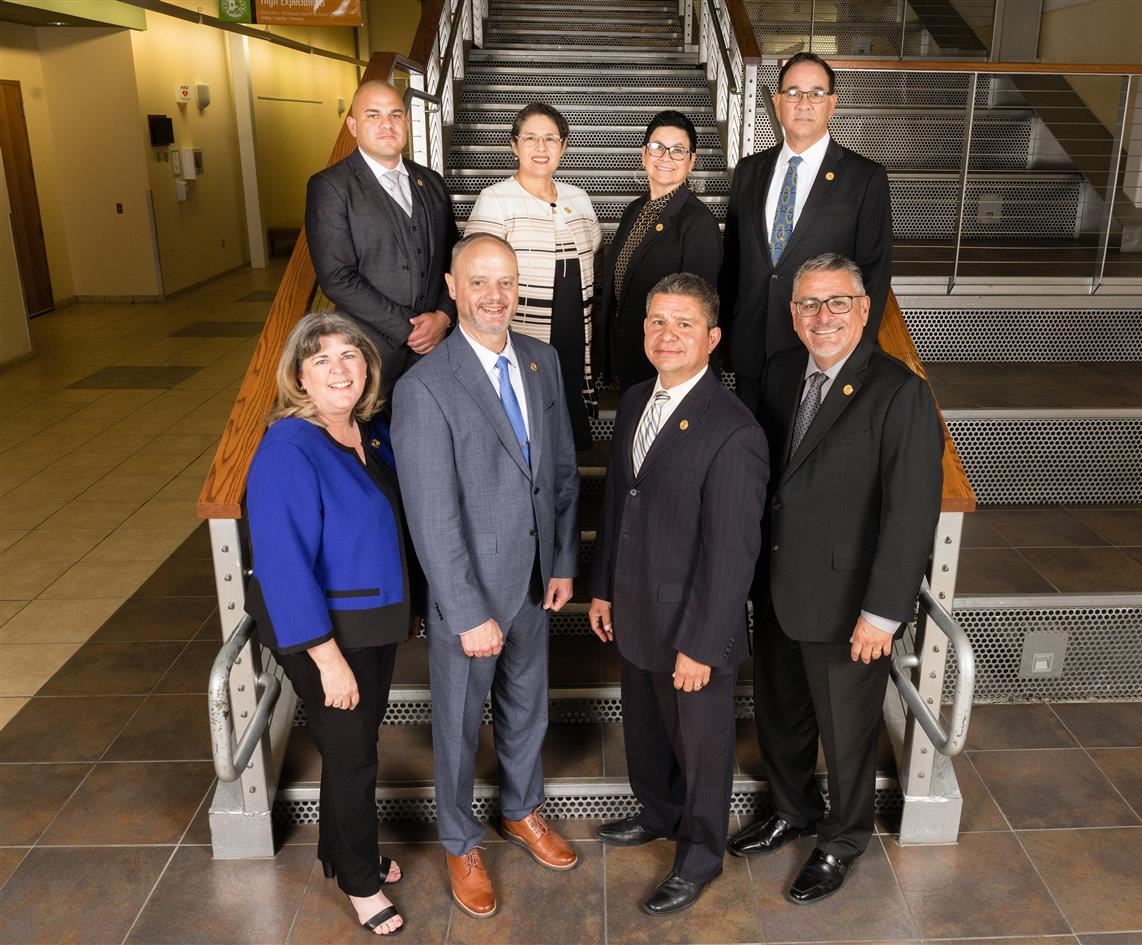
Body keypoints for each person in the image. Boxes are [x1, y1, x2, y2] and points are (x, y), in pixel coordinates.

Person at [728, 253, 943, 904]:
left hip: (851, 604)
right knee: (782, 714)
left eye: (837, 302)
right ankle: (792, 809)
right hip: (776, 586)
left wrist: (884, 612)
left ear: (863, 307)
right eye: (809, 305)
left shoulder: (899, 391)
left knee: (847, 735)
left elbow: (911, 513)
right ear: (792, 315)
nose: (822, 317)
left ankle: (843, 836)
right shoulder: (778, 371)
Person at [389, 233, 581, 920]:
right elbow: (432, 517)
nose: (494, 295)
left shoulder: (542, 360)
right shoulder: (424, 388)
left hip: (533, 582)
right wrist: (466, 610)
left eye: (505, 281)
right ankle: (460, 839)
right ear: (452, 285)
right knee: (459, 722)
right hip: (469, 596)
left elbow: (559, 470)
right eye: (479, 282)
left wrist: (562, 562)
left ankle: (522, 810)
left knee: (528, 705)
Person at [588, 273, 768, 915]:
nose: (668, 334)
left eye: (684, 323)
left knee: (701, 749)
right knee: (645, 731)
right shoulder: (636, 398)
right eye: (657, 321)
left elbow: (731, 556)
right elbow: (618, 504)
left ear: (713, 338)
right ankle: (658, 813)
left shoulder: (734, 431)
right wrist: (604, 588)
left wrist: (702, 643)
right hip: (634, 605)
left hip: (692, 624)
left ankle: (698, 857)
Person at [245, 312, 412, 936]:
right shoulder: (288, 447)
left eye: (350, 354)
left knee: (352, 750)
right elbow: (284, 564)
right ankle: (362, 885)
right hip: (326, 633)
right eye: (321, 360)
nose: (340, 368)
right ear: (298, 377)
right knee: (353, 757)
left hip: (371, 621)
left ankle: (339, 853)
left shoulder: (368, 433)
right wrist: (326, 657)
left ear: (367, 365)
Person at [719, 52, 892, 411]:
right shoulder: (750, 170)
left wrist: (857, 353)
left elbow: (873, 272)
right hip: (751, 346)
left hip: (819, 350)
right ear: (778, 102)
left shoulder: (864, 177)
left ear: (832, 104)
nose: (803, 103)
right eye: (793, 92)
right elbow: (733, 260)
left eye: (816, 93)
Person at [305, 80, 459, 398]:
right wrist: (410, 329)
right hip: (369, 352)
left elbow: (454, 258)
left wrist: (443, 317)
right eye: (373, 115)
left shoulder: (431, 182)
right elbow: (336, 278)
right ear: (353, 126)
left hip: (434, 350)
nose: (387, 124)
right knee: (374, 441)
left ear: (406, 120)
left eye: (395, 114)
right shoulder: (331, 187)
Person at [463, 102, 602, 450]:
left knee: (569, 399)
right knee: (530, 408)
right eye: (531, 138)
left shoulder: (579, 198)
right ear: (514, 145)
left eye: (551, 139)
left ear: (563, 146)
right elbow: (476, 274)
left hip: (574, 324)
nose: (541, 148)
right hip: (524, 328)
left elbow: (596, 253)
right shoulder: (494, 199)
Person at [602, 111, 723, 390]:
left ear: (691, 161)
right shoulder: (634, 210)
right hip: (633, 358)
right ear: (644, 154)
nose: (665, 157)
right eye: (658, 147)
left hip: (671, 367)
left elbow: (697, 310)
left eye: (678, 150)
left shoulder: (697, 222)